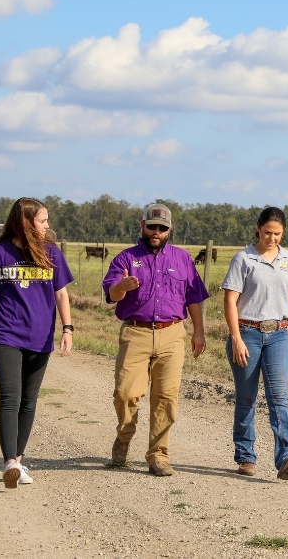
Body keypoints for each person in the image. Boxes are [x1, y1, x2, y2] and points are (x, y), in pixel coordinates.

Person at [102, 203, 208, 476]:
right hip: (135, 332)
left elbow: (193, 298)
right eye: (152, 227)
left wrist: (199, 331)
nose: (157, 232)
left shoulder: (183, 259)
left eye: (162, 228)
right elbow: (111, 295)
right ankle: (124, 436)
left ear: (170, 230)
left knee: (166, 397)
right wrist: (121, 287)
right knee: (126, 393)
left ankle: (158, 455)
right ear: (142, 226)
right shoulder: (125, 259)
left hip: (172, 334)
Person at [0, 197, 74, 489]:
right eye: (43, 221)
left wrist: (67, 328)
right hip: (6, 335)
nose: (47, 226)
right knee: (10, 398)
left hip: (41, 337)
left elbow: (61, 295)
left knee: (29, 402)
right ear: (26, 222)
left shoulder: (52, 253)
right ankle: (9, 462)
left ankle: (17, 462)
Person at [221, 206, 288, 480]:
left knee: (279, 397)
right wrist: (236, 338)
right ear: (258, 228)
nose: (272, 238)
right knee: (247, 398)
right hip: (248, 334)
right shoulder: (243, 259)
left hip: (279, 334)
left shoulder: (287, 258)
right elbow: (230, 300)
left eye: (278, 234)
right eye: (268, 232)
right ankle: (245, 456)